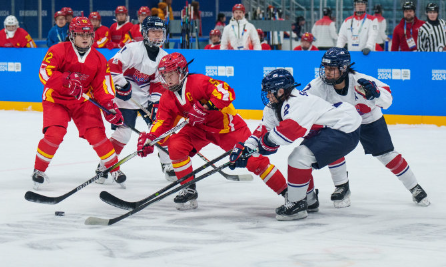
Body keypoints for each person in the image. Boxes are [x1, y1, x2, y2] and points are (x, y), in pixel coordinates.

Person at [137, 52, 288, 210]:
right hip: (198, 130)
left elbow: (226, 92)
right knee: (176, 145)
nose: (167, 79)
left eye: (171, 74)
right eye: (164, 75)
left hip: (227, 128)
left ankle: (290, 194)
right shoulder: (167, 97)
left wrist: (206, 107)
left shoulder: (198, 82)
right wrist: (151, 138)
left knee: (254, 161)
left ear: (181, 72)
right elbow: (162, 121)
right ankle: (188, 188)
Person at [303, 47, 430, 207]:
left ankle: (414, 187)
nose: (327, 72)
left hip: (368, 119)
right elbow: (302, 101)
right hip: (342, 122)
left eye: (332, 69)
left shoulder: (361, 81)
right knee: (332, 149)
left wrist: (375, 94)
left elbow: (388, 101)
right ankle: (342, 187)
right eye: (326, 68)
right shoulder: (319, 85)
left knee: (387, 155)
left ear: (343, 68)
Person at [229, 68, 361, 221]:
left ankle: (297, 204)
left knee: (299, 158)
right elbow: (263, 131)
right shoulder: (273, 107)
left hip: (345, 127)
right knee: (302, 157)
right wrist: (246, 147)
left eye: (270, 91)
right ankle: (309, 200)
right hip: (327, 129)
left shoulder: (298, 102)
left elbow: (285, 135)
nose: (267, 95)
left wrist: (257, 149)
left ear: (281, 91)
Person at [34, 17, 125, 189]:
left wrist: (109, 106)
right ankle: (38, 171)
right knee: (55, 133)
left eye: (88, 34)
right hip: (56, 99)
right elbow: (44, 73)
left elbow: (102, 87)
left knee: (96, 134)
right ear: (71, 35)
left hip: (82, 100)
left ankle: (114, 169)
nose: (85, 37)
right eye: (80, 34)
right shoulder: (58, 50)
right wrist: (65, 80)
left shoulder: (98, 58)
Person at [107, 17, 173, 182]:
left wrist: (155, 102)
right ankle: (106, 164)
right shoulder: (132, 49)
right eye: (153, 31)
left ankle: (168, 164)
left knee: (160, 129)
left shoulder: (164, 57)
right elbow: (112, 66)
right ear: (145, 33)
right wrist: (121, 85)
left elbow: (159, 84)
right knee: (124, 133)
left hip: (145, 99)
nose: (157, 35)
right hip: (124, 98)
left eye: (160, 32)